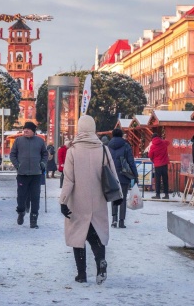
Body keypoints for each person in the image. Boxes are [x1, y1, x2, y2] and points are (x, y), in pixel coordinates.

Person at [60, 115, 119, 284]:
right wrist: (118, 196)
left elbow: (69, 179)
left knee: (78, 236)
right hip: (98, 199)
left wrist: (63, 201)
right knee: (96, 234)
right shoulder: (103, 149)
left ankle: (81, 274)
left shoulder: (73, 151)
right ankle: (101, 262)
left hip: (77, 200)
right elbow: (113, 175)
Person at [10, 121, 48, 229]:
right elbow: (13, 154)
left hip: (36, 174)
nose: (25, 131)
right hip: (22, 173)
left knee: (35, 197)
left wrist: (42, 163)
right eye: (24, 129)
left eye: (28, 129)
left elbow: (45, 154)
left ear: (33, 131)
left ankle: (33, 220)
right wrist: (17, 165)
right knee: (21, 196)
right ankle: (21, 212)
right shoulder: (18, 141)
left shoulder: (40, 141)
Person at [107, 128, 139, 228]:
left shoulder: (108, 146)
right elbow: (131, 161)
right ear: (121, 135)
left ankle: (114, 220)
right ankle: (121, 221)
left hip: (112, 175)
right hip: (123, 175)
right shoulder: (126, 146)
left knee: (114, 197)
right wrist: (135, 174)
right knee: (123, 198)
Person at [148, 133, 170, 200]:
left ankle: (158, 195)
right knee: (165, 180)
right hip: (164, 164)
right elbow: (168, 142)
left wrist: (153, 159)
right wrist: (162, 139)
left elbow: (150, 155)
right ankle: (166, 194)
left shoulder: (153, 146)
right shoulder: (163, 143)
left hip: (157, 165)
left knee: (157, 180)